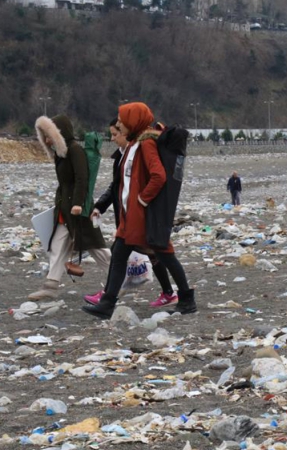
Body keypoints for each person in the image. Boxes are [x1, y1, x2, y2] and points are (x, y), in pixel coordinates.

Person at [81, 102, 196, 319]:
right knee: (119, 255)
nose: (119, 123)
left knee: (165, 254)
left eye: (123, 120)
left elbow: (158, 176)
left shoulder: (146, 144)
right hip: (130, 215)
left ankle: (187, 299)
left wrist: (142, 201)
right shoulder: (133, 144)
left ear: (134, 121)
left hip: (140, 216)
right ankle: (107, 304)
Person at [29, 115, 112, 301]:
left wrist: (77, 204)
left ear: (59, 133)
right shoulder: (61, 153)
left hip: (78, 208)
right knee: (57, 245)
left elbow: (82, 178)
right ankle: (51, 285)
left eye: (48, 135)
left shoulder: (75, 150)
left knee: (97, 248)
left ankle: (120, 278)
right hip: (64, 209)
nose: (47, 140)